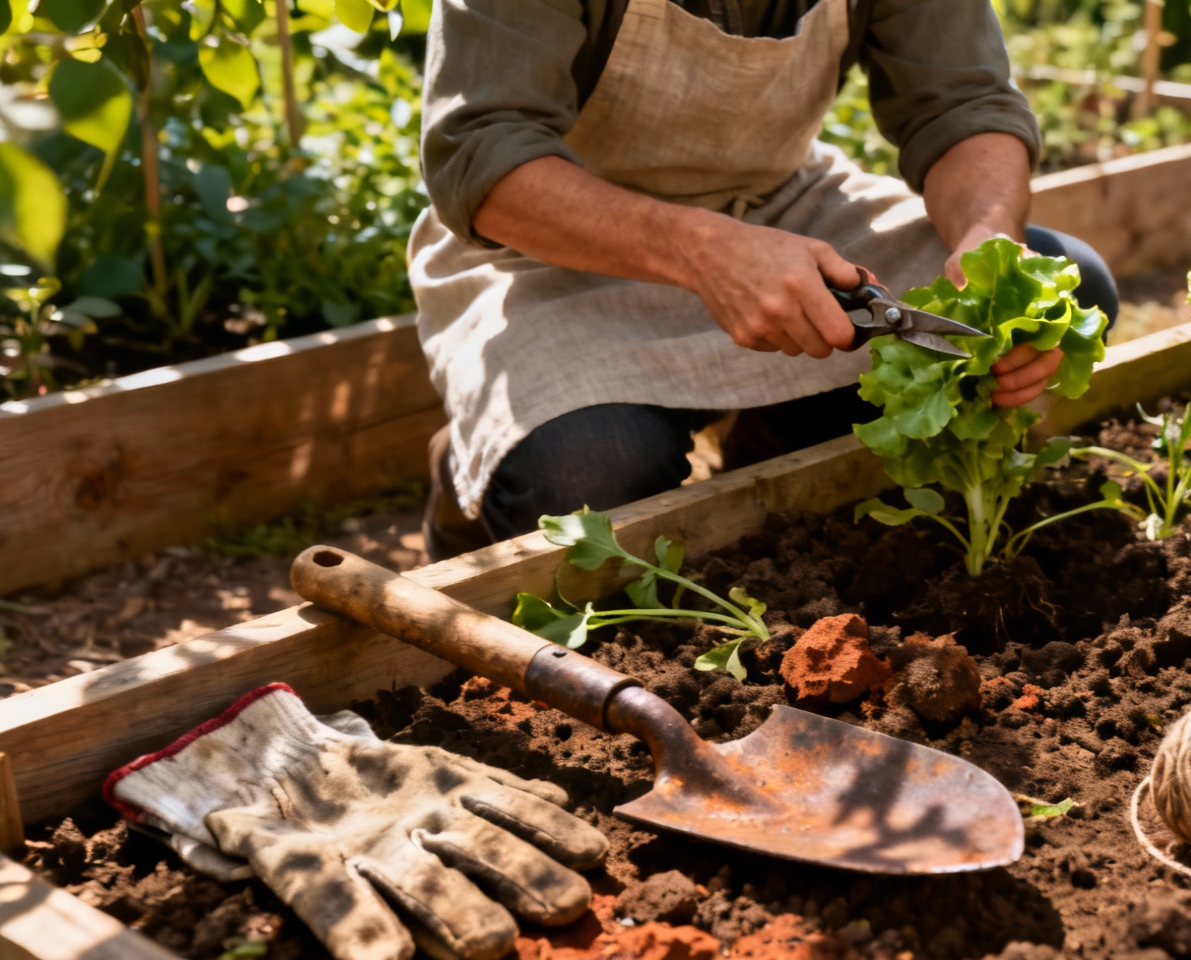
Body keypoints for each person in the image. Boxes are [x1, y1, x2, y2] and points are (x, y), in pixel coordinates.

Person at [412, 0, 1120, 559]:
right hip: (555, 243)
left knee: (1069, 290)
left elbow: (962, 104)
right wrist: (706, 252)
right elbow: (481, 152)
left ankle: (773, 464)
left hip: (780, 205)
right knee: (589, 479)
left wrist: (988, 243)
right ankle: (473, 471)